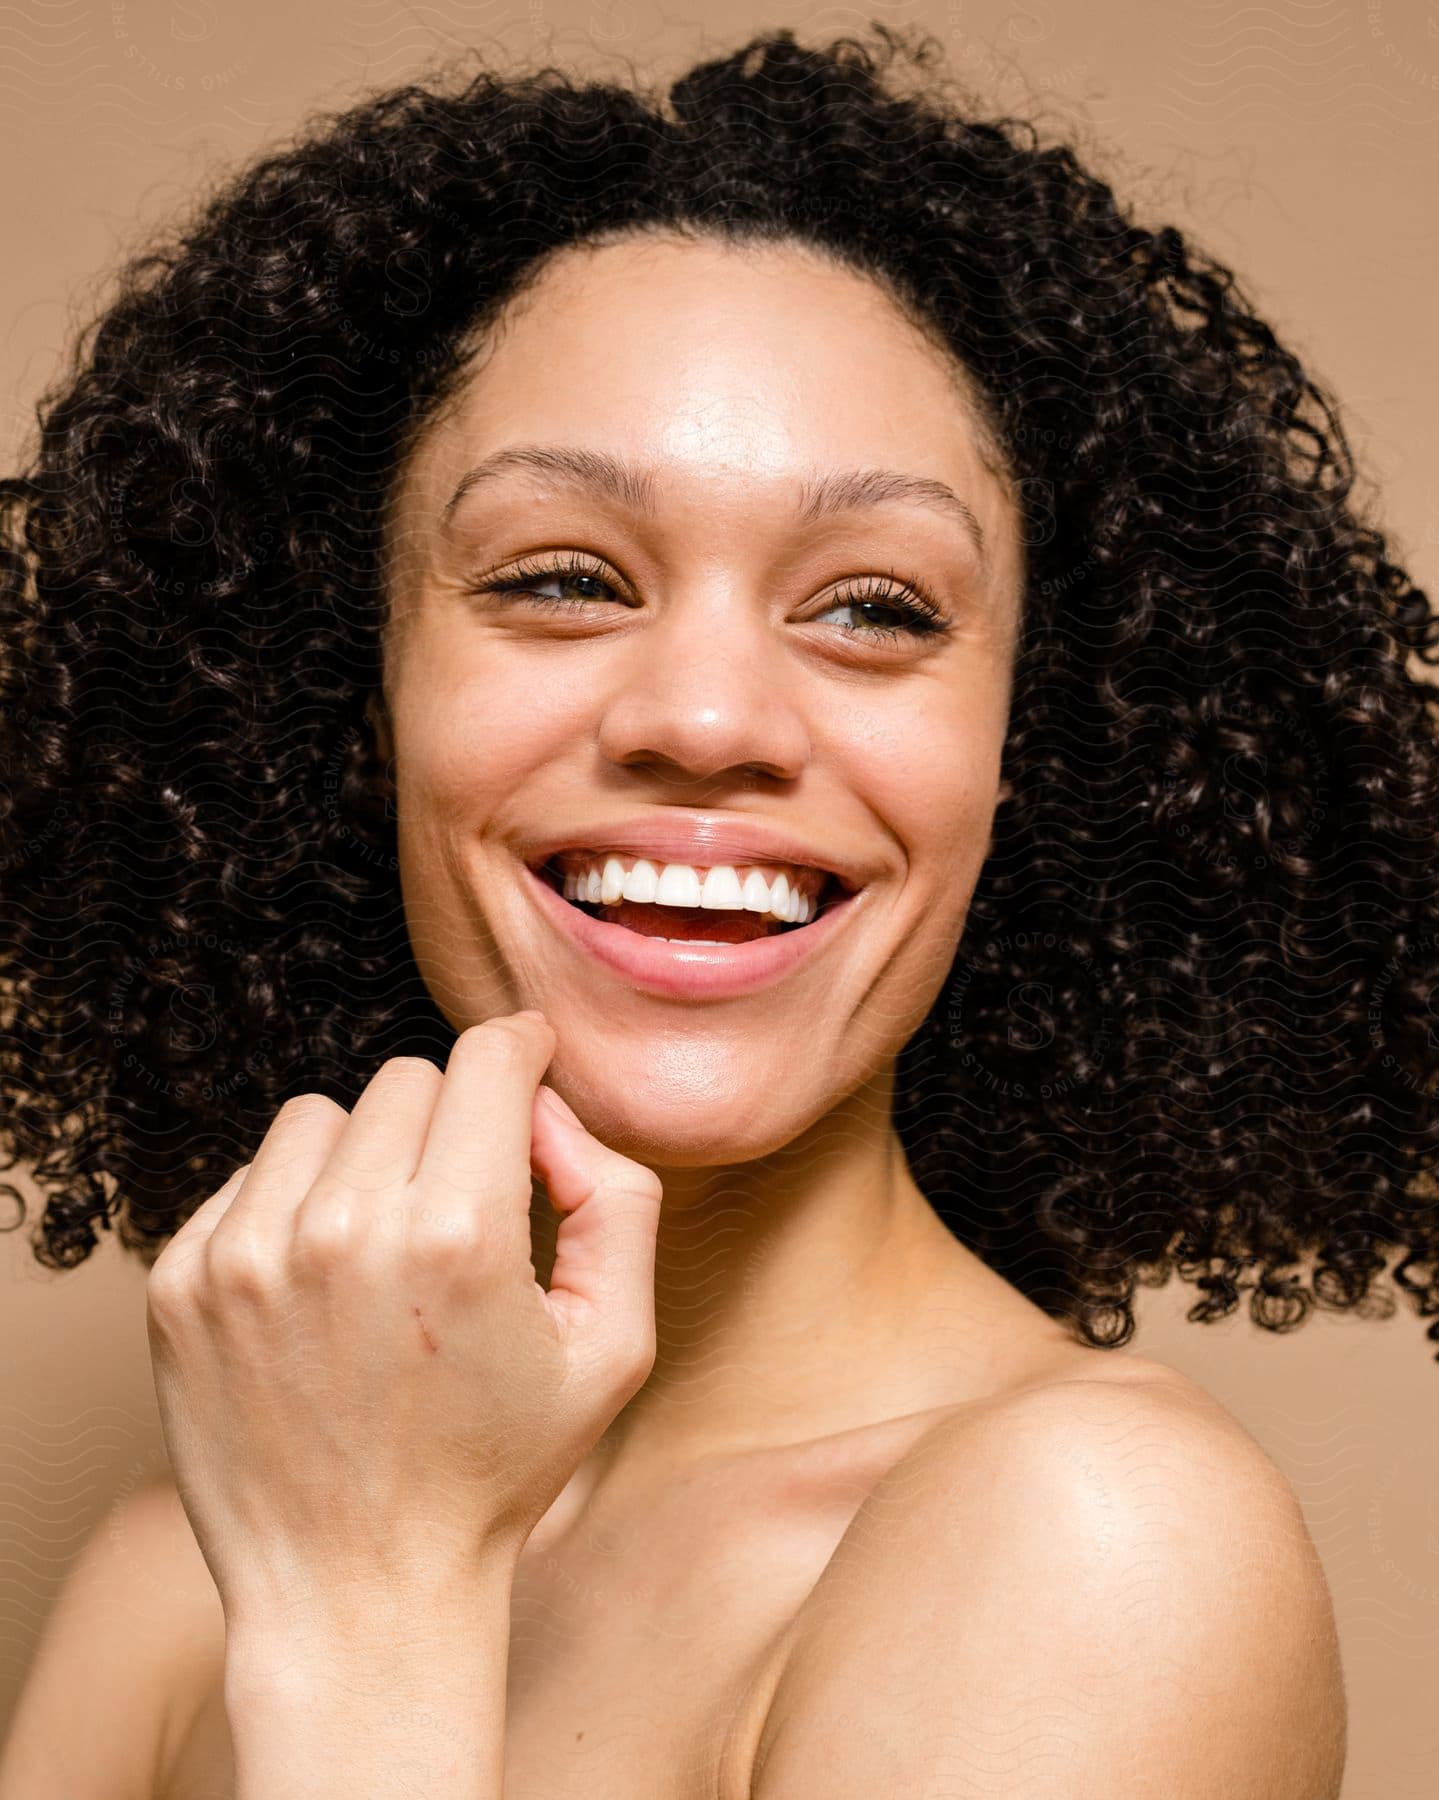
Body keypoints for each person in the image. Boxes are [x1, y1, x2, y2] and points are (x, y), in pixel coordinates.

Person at [7, 19, 1436, 1796]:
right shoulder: (185, 1569)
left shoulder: (1099, 1544)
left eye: (875, 610)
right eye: (558, 577)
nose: (705, 720)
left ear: (1027, 754)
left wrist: (368, 1622)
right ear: (360, 702)